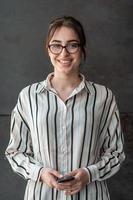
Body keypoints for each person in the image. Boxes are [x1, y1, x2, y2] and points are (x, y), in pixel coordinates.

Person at [5, 16, 125, 200]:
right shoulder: (28, 96)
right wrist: (41, 172)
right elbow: (15, 152)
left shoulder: (104, 96)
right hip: (41, 195)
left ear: (82, 49)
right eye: (56, 45)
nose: (64, 53)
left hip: (91, 195)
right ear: (48, 49)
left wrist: (89, 174)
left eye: (72, 45)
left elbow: (116, 152)